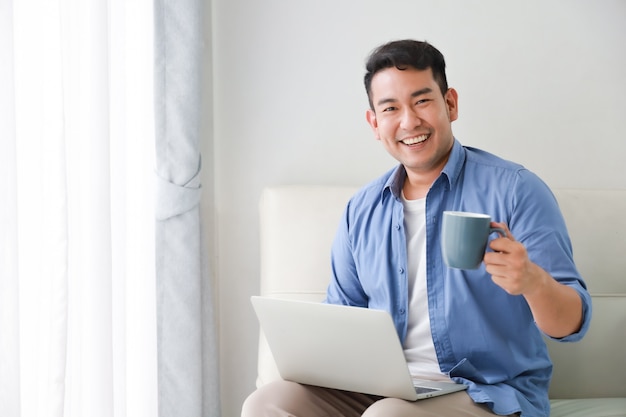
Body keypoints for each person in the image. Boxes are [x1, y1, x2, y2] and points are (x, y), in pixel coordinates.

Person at [241, 39, 591, 417]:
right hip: (380, 390)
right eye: (391, 108)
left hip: (489, 394)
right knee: (267, 403)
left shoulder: (516, 190)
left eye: (422, 101)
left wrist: (533, 282)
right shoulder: (361, 210)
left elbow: (571, 324)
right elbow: (341, 320)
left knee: (389, 415)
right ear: (375, 123)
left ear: (450, 104)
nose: (409, 122)